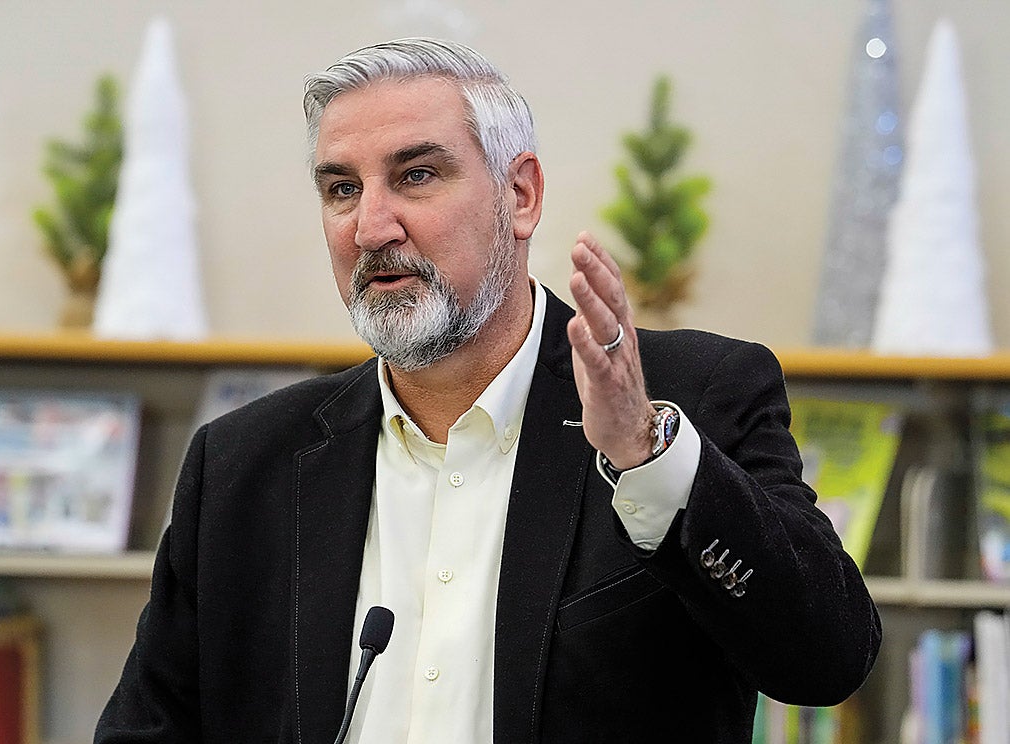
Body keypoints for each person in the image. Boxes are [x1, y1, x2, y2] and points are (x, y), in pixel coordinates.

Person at [96, 37, 881, 743]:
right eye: (340, 189)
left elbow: (827, 661)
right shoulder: (243, 464)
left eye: (417, 175)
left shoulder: (692, 398)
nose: (371, 227)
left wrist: (648, 459)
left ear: (521, 195)